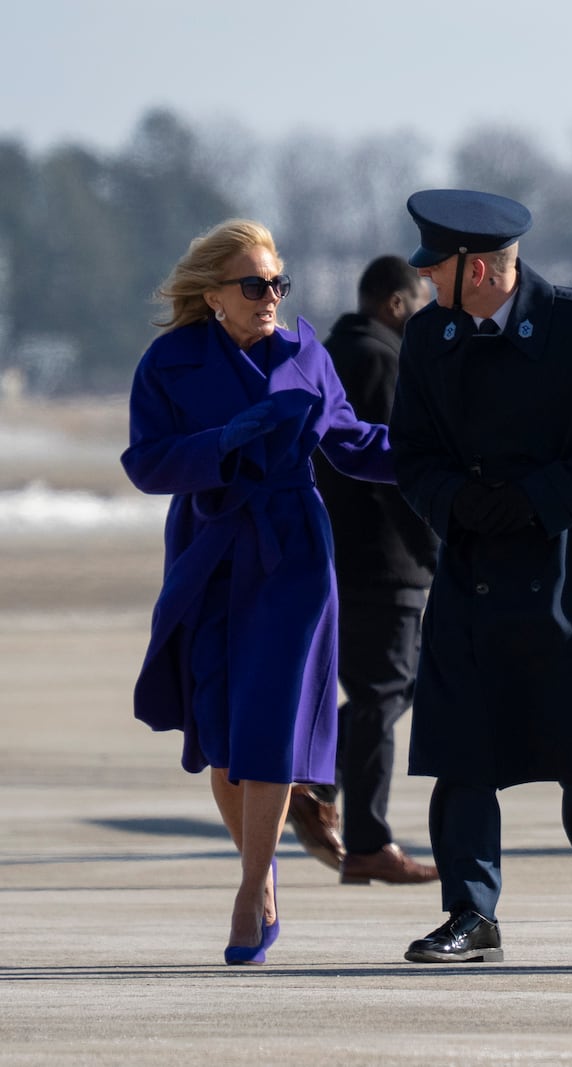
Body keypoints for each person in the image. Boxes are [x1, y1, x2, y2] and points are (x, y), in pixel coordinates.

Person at [388, 189, 572, 964]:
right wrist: (463, 502)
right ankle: (472, 913)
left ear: (476, 269)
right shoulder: (428, 336)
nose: (424, 281)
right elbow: (409, 453)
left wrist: (539, 501)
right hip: (472, 561)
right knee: (461, 741)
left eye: (434, 267)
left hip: (569, 566)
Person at [121, 219, 394, 964]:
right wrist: (222, 443)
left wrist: (441, 465)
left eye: (279, 282)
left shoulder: (308, 353)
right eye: (254, 284)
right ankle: (264, 862)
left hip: (292, 555)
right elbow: (145, 464)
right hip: (209, 547)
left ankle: (250, 888)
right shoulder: (168, 363)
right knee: (221, 732)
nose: (270, 295)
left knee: (270, 721)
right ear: (213, 294)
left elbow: (351, 441)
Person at [290, 255, 440, 886]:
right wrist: (436, 549)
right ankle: (368, 839)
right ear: (395, 303)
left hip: (335, 556)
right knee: (384, 693)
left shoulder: (329, 356)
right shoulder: (380, 360)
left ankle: (313, 780)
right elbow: (391, 473)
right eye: (420, 303)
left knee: (387, 690)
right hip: (385, 560)